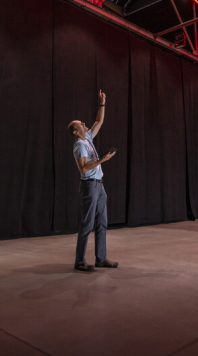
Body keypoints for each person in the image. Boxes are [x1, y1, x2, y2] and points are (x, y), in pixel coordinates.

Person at [68, 89, 118, 272]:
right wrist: (102, 160)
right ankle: (79, 262)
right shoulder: (79, 145)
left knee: (102, 223)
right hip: (89, 186)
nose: (84, 123)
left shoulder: (87, 137)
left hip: (99, 186)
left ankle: (101, 259)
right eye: (80, 124)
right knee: (87, 224)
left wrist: (102, 103)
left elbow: (99, 121)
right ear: (75, 132)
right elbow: (83, 168)